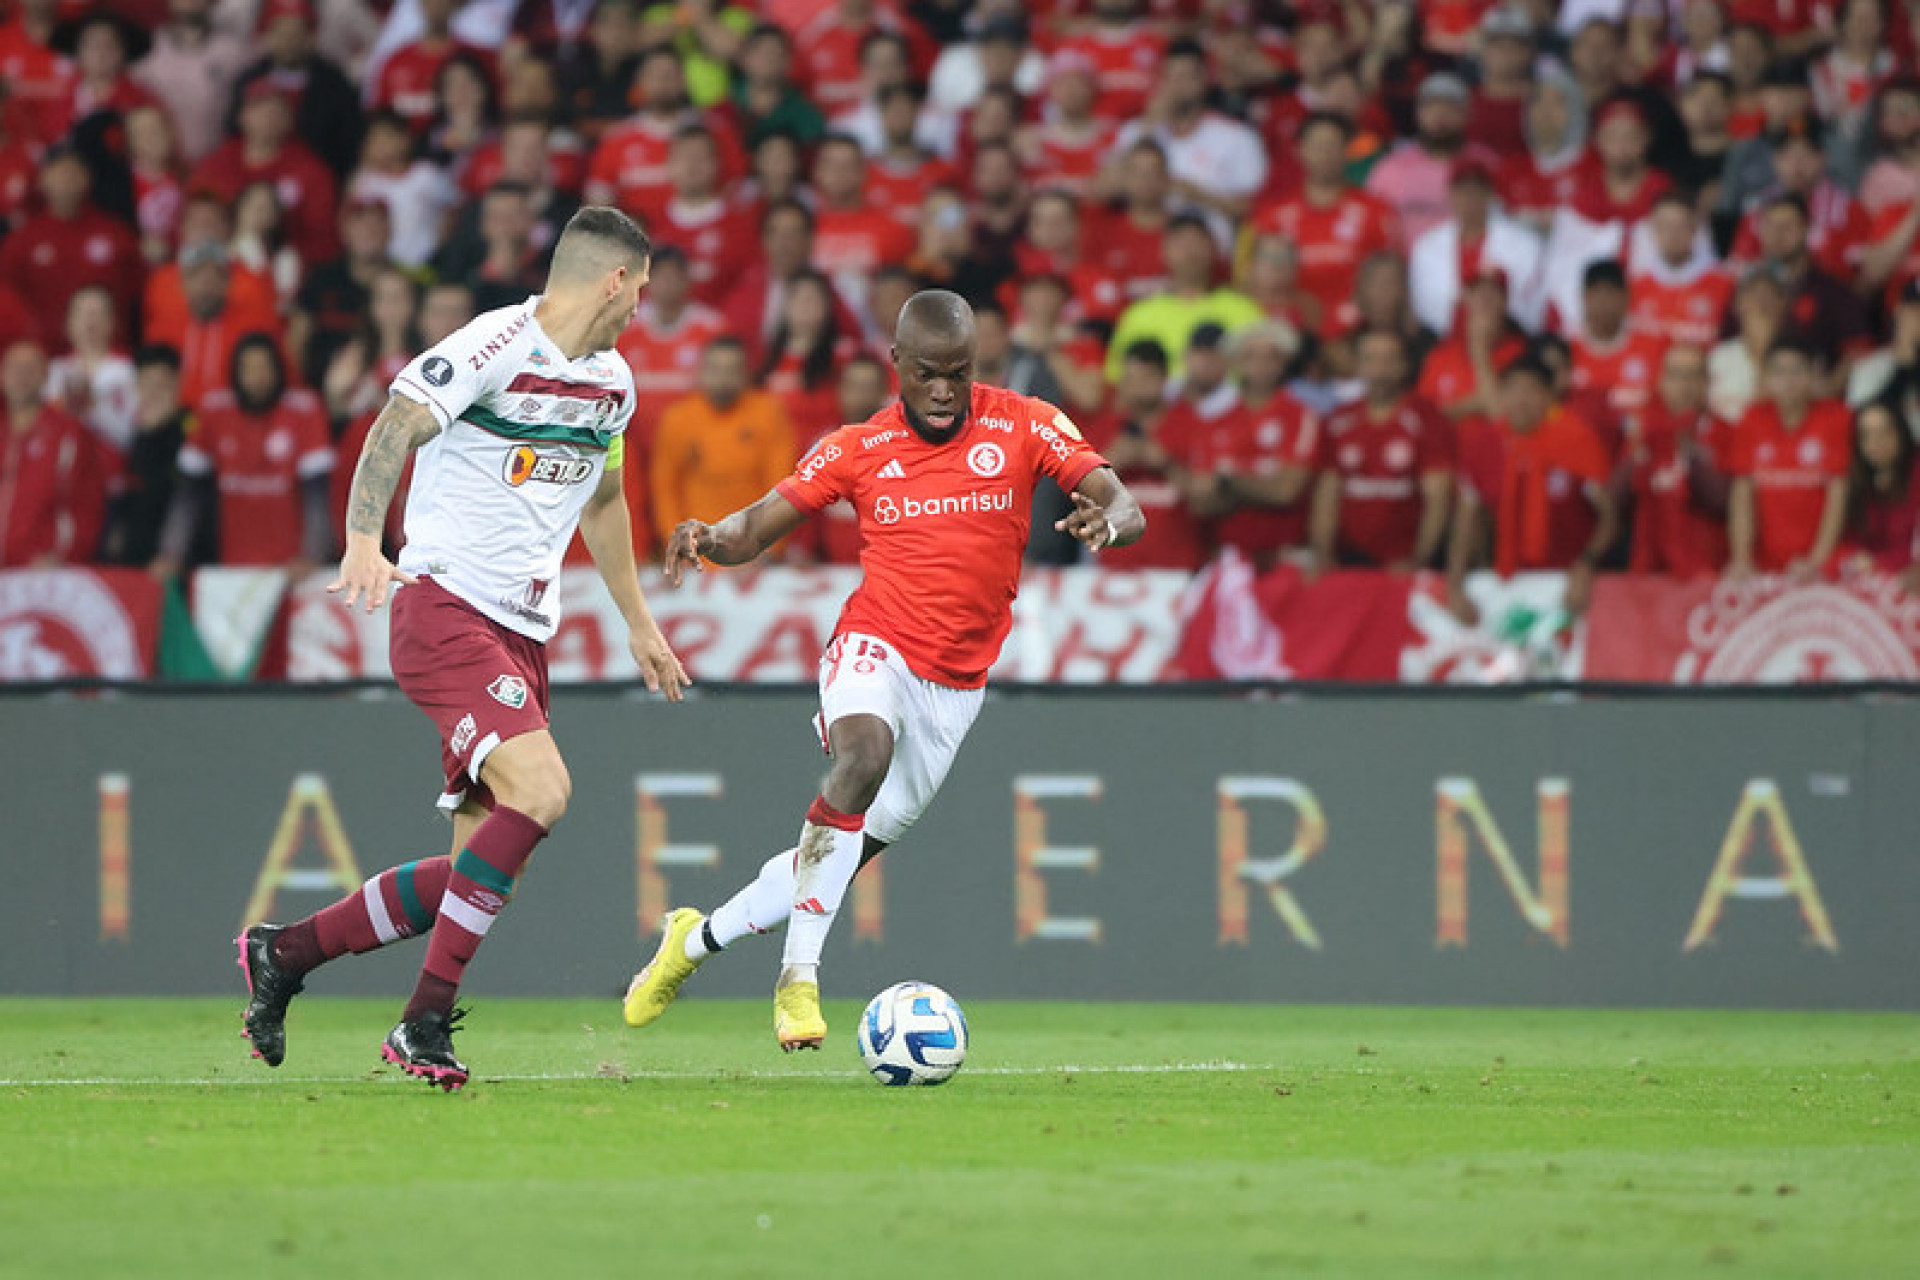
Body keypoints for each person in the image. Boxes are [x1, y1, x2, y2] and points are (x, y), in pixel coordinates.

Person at [235, 207, 689, 1091]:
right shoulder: (495, 343)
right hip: (445, 609)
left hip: (522, 635)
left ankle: (285, 954)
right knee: (546, 789)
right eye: (639, 286)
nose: (641, 304)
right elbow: (395, 424)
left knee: (478, 874)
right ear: (612, 280)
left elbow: (603, 500)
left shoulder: (614, 384)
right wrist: (366, 539)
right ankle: (422, 1025)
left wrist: (638, 622)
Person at [624, 289, 1143, 1050]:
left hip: (956, 689)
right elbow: (757, 526)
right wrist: (708, 535)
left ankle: (690, 944)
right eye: (927, 372)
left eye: (959, 373)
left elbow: (1119, 498)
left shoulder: (1026, 422)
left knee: (827, 865)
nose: (942, 390)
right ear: (895, 364)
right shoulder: (856, 448)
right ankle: (798, 980)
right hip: (874, 645)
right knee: (862, 755)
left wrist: (1113, 520)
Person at [164, 333, 335, 571]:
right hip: (231, 565)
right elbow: (187, 495)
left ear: (278, 370)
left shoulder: (303, 410)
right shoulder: (214, 410)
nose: (257, 377)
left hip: (292, 569)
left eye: (264, 368)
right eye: (249, 369)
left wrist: (313, 556)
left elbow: (319, 496)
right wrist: (171, 554)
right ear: (236, 372)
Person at [1310, 326, 1455, 572]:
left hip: (1403, 564)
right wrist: (1324, 555)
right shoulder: (1338, 421)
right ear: (1358, 366)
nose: (1379, 370)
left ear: (1405, 366)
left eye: (1389, 360)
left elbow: (1438, 497)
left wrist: (1419, 559)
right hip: (1348, 561)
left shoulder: (1427, 420)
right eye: (1370, 359)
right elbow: (1327, 493)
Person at [650, 336, 797, 546]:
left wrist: (769, 548)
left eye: (732, 371)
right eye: (715, 369)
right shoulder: (677, 419)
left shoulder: (769, 414)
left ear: (747, 374)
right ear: (700, 372)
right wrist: (676, 544)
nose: (723, 378)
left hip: (753, 546)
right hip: (696, 547)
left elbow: (782, 489)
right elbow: (665, 490)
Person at [1727, 339, 1853, 580]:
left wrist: (1817, 562)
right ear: (1765, 377)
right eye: (1779, 372)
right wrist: (1742, 559)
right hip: (1765, 564)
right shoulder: (1751, 420)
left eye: (1797, 370)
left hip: (1822, 563)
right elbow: (1742, 494)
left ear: (1812, 375)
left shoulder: (1836, 418)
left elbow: (1837, 494)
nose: (1788, 381)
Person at [1627, 343, 1732, 578]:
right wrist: (1637, 449)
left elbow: (1724, 502)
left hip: (1706, 571)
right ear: (1661, 381)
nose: (1684, 385)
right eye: (1675, 375)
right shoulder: (1645, 429)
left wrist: (1691, 450)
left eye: (1692, 376)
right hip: (1649, 572)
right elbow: (1614, 501)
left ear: (1706, 382)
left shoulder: (1724, 431)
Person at [0, 338, 106, 567]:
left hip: (41, 575)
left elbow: (88, 506)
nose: (21, 377)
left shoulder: (71, 434)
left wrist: (65, 556)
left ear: (46, 376)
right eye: (13, 369)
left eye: (30, 369)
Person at [1843, 400, 1920, 585]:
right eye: (1866, 436)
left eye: (1884, 432)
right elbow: (1850, 542)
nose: (1875, 442)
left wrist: (1879, 563)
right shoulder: (1859, 481)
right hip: (1877, 581)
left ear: (1901, 433)